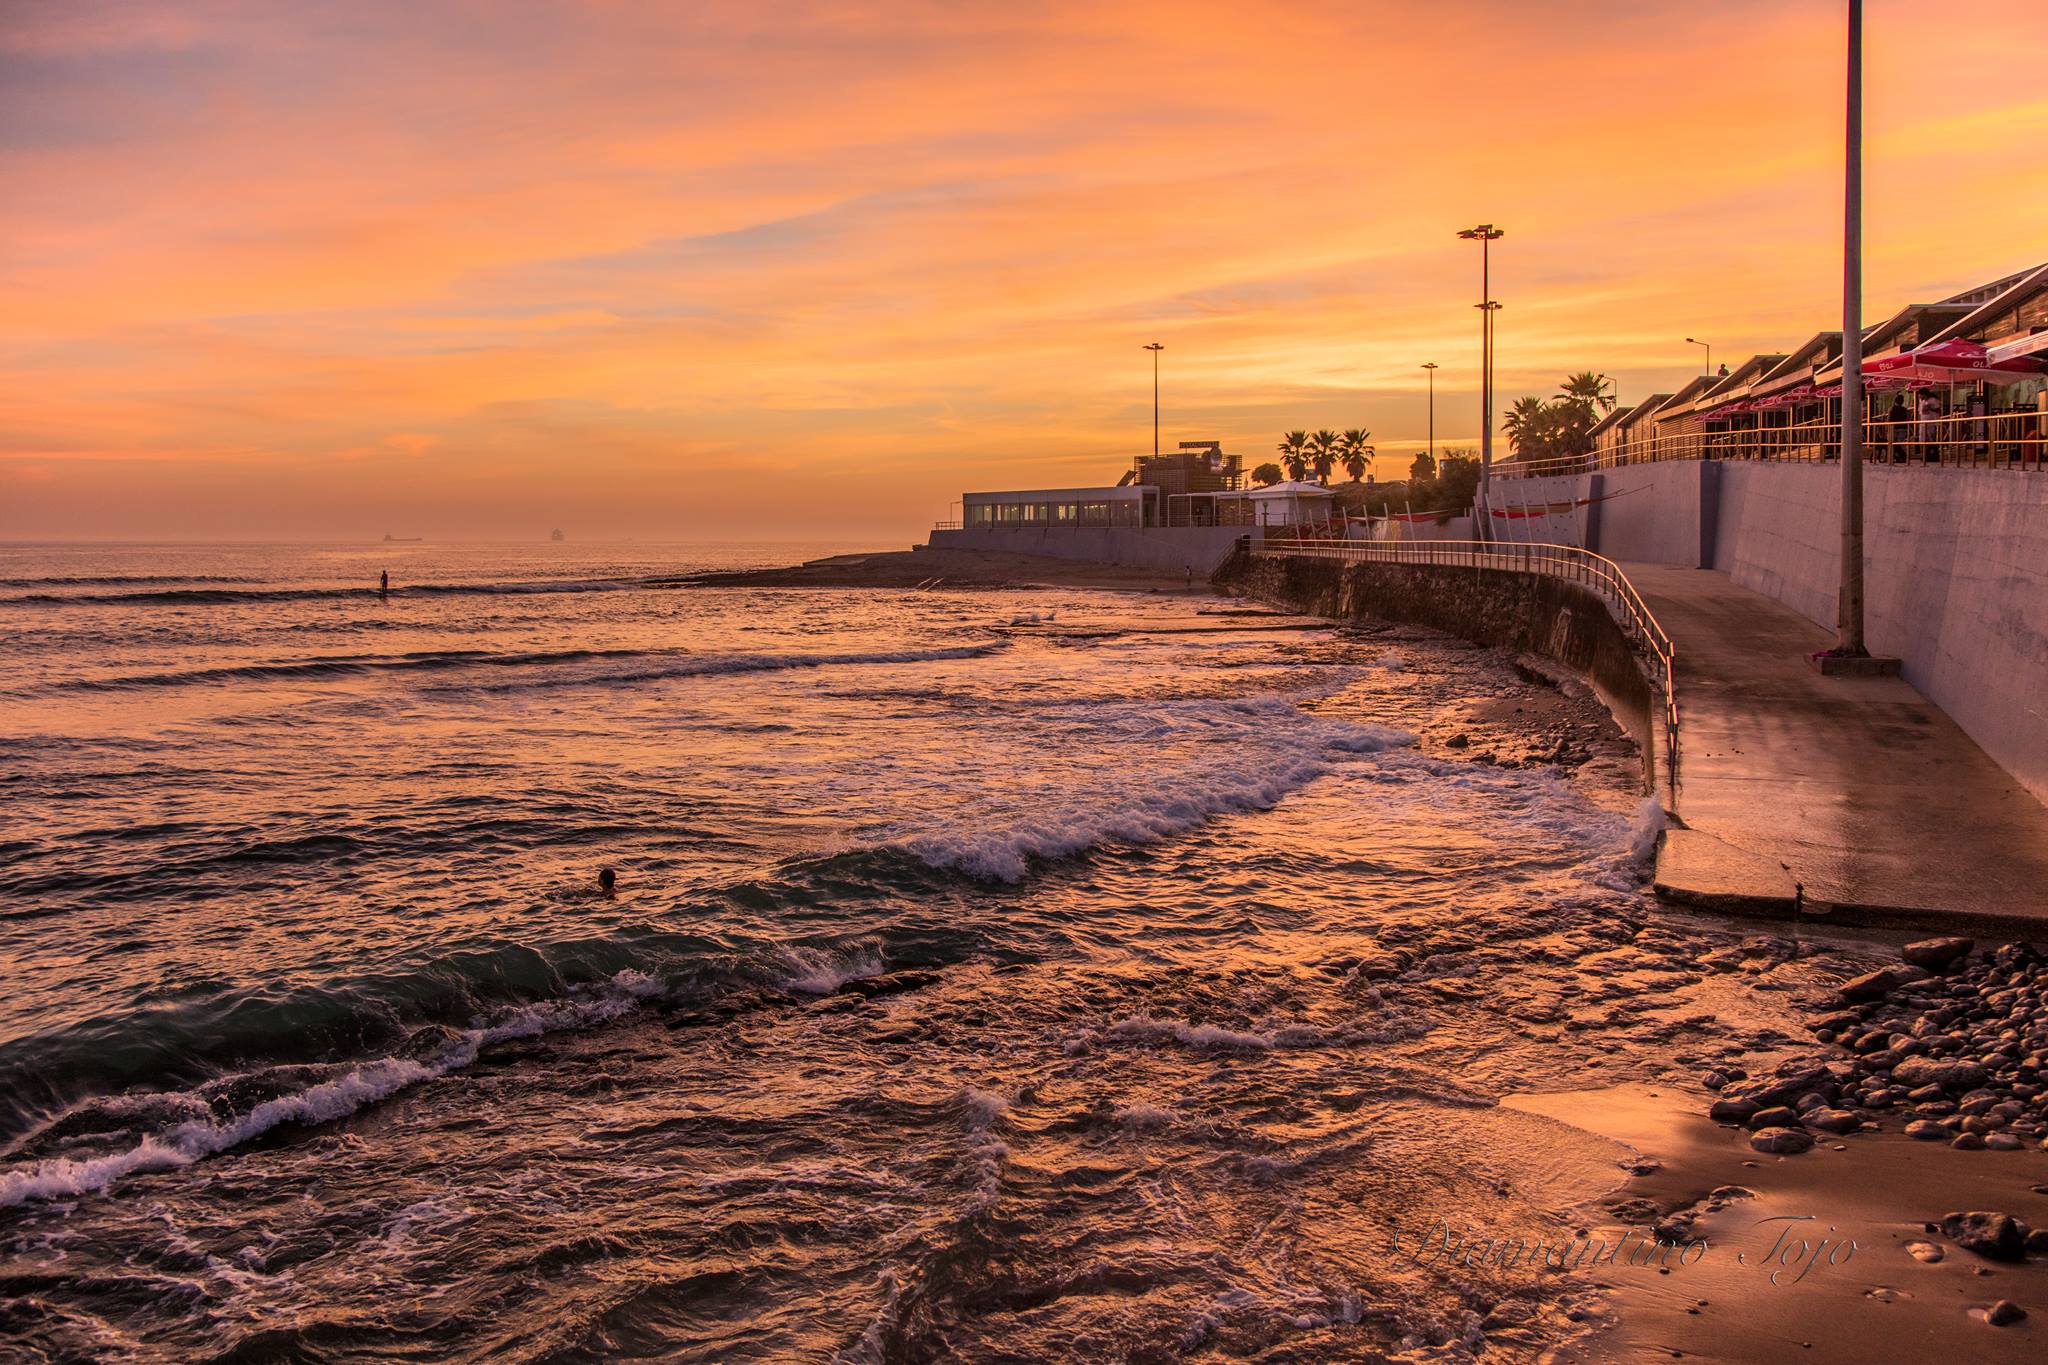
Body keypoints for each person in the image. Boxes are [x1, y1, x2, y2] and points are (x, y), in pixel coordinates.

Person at [1885, 392, 1911, 463]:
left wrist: (1886, 428)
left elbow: (1889, 418)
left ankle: (1893, 456)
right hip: (1902, 427)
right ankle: (1901, 456)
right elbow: (1908, 418)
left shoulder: (1891, 409)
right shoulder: (1905, 410)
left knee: (1892, 442)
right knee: (1900, 443)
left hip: (1893, 427)